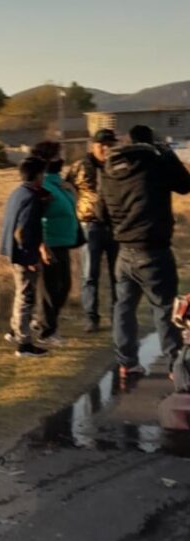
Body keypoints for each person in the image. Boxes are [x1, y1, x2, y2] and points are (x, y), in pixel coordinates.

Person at [98, 124, 190, 377]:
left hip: (124, 251)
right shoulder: (155, 163)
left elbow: (100, 213)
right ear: (151, 142)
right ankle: (175, 365)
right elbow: (185, 185)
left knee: (124, 308)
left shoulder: (108, 169)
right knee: (164, 308)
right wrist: (168, 153)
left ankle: (127, 363)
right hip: (153, 248)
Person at [66, 129, 119, 332]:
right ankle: (91, 317)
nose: (106, 148)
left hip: (116, 225)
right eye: (101, 145)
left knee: (118, 274)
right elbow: (67, 188)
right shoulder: (80, 166)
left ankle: (117, 316)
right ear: (93, 146)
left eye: (110, 144)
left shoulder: (119, 165)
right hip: (90, 225)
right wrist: (75, 211)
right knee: (89, 274)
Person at [31, 140, 79, 346]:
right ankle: (46, 331)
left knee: (64, 286)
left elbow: (72, 205)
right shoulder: (43, 186)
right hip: (50, 243)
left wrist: (71, 190)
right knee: (50, 289)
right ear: (47, 160)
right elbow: (35, 217)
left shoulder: (59, 183)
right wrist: (41, 245)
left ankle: (43, 320)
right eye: (57, 156)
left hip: (64, 241)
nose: (62, 159)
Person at [0, 156, 50, 357]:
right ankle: (24, 344)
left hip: (13, 251)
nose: (44, 177)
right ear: (37, 175)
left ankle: (15, 331)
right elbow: (22, 231)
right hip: (23, 254)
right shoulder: (31, 197)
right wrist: (30, 258)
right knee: (26, 297)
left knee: (21, 293)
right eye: (42, 174)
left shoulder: (18, 192)